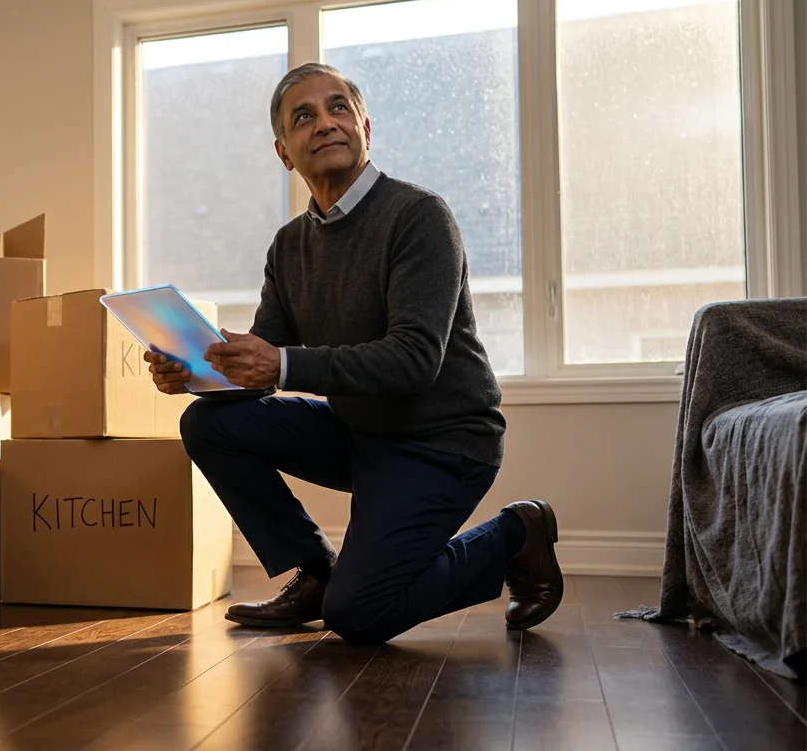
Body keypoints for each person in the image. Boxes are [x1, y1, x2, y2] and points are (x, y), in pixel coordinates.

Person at [144, 63, 563, 642]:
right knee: (210, 423)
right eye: (304, 116)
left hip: (442, 444)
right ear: (283, 152)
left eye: (338, 108)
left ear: (366, 126)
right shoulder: (289, 246)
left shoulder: (418, 217)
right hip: (361, 435)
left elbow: (414, 360)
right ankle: (316, 572)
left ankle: (515, 535)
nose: (325, 123)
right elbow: (264, 364)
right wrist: (194, 373)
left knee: (359, 615)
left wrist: (282, 364)